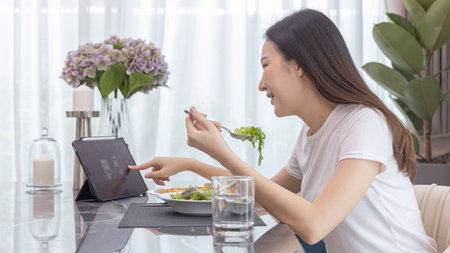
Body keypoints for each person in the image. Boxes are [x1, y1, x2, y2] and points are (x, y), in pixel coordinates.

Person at [129, 9, 437, 253]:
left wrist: (221, 150)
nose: (261, 84)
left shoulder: (365, 123)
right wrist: (191, 163)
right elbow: (261, 197)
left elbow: (314, 224)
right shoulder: (311, 133)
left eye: (265, 65)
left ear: (300, 64)